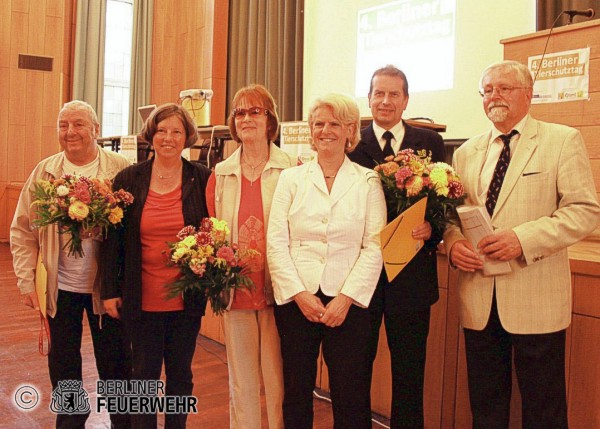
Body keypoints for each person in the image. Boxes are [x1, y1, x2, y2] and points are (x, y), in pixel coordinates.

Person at [443, 60, 600, 429]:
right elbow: (452, 216)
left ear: (528, 94)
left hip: (536, 297)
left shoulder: (562, 140)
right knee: (486, 407)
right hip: (479, 297)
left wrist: (522, 239)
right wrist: (452, 244)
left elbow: (584, 211)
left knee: (544, 409)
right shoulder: (466, 152)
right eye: (488, 90)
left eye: (504, 88)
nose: (494, 95)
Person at [267, 93, 387, 429]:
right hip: (297, 301)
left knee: (351, 395)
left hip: (349, 305)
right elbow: (276, 241)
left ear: (351, 130)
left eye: (335, 124)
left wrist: (345, 299)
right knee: (296, 391)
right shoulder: (291, 178)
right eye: (318, 123)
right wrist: (299, 294)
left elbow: (374, 246)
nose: (325, 130)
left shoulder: (368, 180)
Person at [10, 100, 131, 428]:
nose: (70, 132)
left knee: (116, 365)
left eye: (78, 124)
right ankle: (71, 419)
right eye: (63, 125)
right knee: (63, 366)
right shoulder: (45, 171)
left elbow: (135, 227)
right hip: (58, 287)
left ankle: (124, 422)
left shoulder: (120, 168)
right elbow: (22, 229)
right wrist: (26, 280)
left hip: (106, 290)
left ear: (96, 130)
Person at [101, 103, 211, 428]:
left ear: (187, 137)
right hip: (141, 298)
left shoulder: (201, 178)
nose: (168, 137)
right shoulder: (129, 178)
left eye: (176, 131)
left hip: (185, 300)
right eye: (162, 130)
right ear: (151, 134)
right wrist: (109, 291)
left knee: (180, 378)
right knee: (143, 378)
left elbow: (211, 233)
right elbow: (113, 241)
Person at [348, 64, 445, 428]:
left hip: (412, 278)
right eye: (378, 93)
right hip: (363, 278)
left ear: (406, 100)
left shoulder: (430, 143)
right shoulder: (353, 144)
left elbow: (444, 201)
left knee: (409, 373)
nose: (385, 101)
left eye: (393, 94)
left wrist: (430, 227)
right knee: (356, 368)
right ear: (369, 98)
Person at [205, 84, 295, 429]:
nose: (246, 118)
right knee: (241, 382)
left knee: (278, 382)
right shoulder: (221, 174)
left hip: (280, 291)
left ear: (270, 120)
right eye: (239, 112)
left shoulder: (294, 168)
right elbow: (212, 232)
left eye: (255, 111)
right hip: (237, 292)